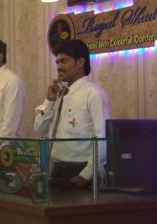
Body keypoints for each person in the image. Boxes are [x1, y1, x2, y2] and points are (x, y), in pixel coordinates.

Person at [34, 39, 110, 189]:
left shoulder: (94, 94)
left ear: (80, 62)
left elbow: (102, 137)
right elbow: (39, 129)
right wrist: (49, 101)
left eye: (64, 61)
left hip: (81, 172)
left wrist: (87, 174)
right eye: (57, 62)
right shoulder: (60, 94)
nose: (59, 67)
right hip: (57, 169)